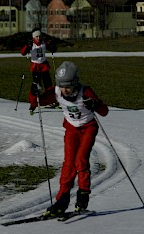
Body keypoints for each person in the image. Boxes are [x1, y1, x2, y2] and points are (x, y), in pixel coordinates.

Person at [29, 61, 109, 217]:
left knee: (81, 160)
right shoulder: (57, 92)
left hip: (88, 128)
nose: (65, 90)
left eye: (68, 87)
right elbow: (36, 102)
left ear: (75, 83)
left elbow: (104, 111)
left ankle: (83, 196)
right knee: (68, 163)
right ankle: (62, 200)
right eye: (62, 86)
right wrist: (34, 93)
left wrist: (94, 104)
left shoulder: (85, 92)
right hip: (71, 129)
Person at [21, 28, 57, 105]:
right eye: (37, 36)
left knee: (48, 83)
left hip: (44, 66)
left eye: (40, 36)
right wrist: (27, 46)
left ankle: (50, 100)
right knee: (37, 85)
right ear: (33, 37)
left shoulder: (44, 42)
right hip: (35, 66)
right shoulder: (31, 44)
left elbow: (53, 49)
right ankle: (36, 100)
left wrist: (52, 46)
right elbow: (23, 52)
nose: (38, 38)